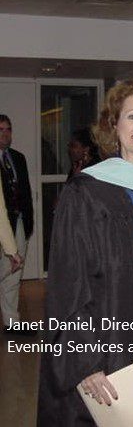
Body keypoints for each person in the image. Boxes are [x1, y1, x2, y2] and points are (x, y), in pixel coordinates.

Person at [37, 79, 133, 427]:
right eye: (132, 116)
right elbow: (67, 285)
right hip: (105, 345)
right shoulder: (86, 192)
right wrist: (84, 360)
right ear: (114, 125)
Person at [0, 114, 34, 335]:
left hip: (18, 222)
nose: (5, 134)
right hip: (2, 224)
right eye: (1, 129)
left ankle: (12, 321)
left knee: (13, 272)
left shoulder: (18, 158)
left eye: (8, 129)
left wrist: (28, 221)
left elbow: (26, 193)